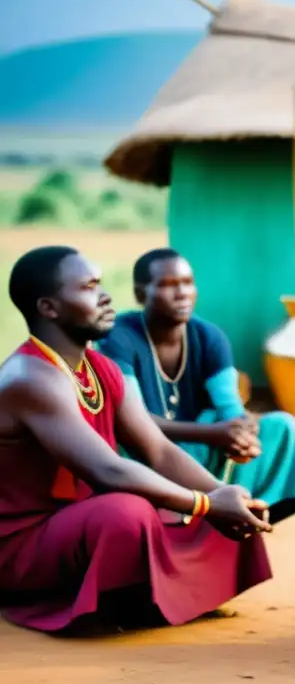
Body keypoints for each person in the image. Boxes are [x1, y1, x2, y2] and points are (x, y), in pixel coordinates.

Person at [0, 246, 272, 634]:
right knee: (129, 513)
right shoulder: (31, 377)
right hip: (23, 547)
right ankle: (126, 599)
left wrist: (222, 495)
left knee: (195, 511)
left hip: (80, 524)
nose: (106, 296)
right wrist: (206, 504)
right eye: (90, 287)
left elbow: (158, 450)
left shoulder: (100, 368)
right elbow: (106, 468)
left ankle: (144, 592)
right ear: (49, 308)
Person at [97, 249, 295, 525]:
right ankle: (188, 512)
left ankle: (251, 511)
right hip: (144, 449)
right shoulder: (118, 337)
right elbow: (132, 421)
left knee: (283, 427)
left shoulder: (209, 336)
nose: (182, 293)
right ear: (140, 294)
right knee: (119, 443)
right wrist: (212, 433)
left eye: (187, 282)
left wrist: (241, 435)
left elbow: (230, 407)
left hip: (201, 446)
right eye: (167, 285)